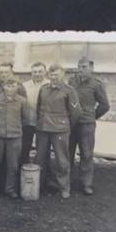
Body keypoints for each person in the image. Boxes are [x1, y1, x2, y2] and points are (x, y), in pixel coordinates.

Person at [35, 64, 80, 199]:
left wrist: (65, 125)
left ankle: (64, 188)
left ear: (63, 75)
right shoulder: (43, 88)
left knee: (62, 159)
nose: (54, 77)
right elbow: (38, 108)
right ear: (48, 75)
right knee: (40, 158)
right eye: (52, 74)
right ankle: (40, 185)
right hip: (43, 128)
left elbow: (76, 113)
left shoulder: (69, 91)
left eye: (57, 74)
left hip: (60, 130)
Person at [69, 57, 110, 196]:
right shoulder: (72, 81)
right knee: (68, 151)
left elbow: (105, 105)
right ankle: (65, 181)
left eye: (84, 67)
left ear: (91, 68)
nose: (81, 69)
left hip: (86, 124)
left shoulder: (96, 84)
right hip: (72, 123)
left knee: (86, 154)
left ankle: (86, 183)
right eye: (79, 67)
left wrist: (92, 116)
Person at [0, 79, 27, 199]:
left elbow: (25, 118)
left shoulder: (22, 101)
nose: (10, 89)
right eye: (8, 86)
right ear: (3, 87)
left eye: (13, 86)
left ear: (17, 87)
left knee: (13, 165)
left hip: (15, 137)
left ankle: (10, 189)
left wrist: (15, 128)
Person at [20, 61, 48, 166]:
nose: (37, 74)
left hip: (44, 123)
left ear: (45, 72)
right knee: (25, 148)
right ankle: (24, 170)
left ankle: (41, 172)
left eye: (40, 71)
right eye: (35, 72)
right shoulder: (25, 85)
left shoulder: (49, 84)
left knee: (42, 150)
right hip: (28, 121)